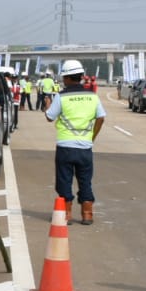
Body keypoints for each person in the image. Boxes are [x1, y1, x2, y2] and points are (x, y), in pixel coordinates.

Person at [46, 59, 106, 225]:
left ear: (66, 78)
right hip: (85, 147)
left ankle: (66, 214)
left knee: (64, 180)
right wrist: (92, 137)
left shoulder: (61, 96)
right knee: (85, 180)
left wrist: (47, 104)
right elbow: (101, 117)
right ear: (80, 76)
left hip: (65, 146)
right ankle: (87, 214)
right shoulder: (92, 97)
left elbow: (49, 117)